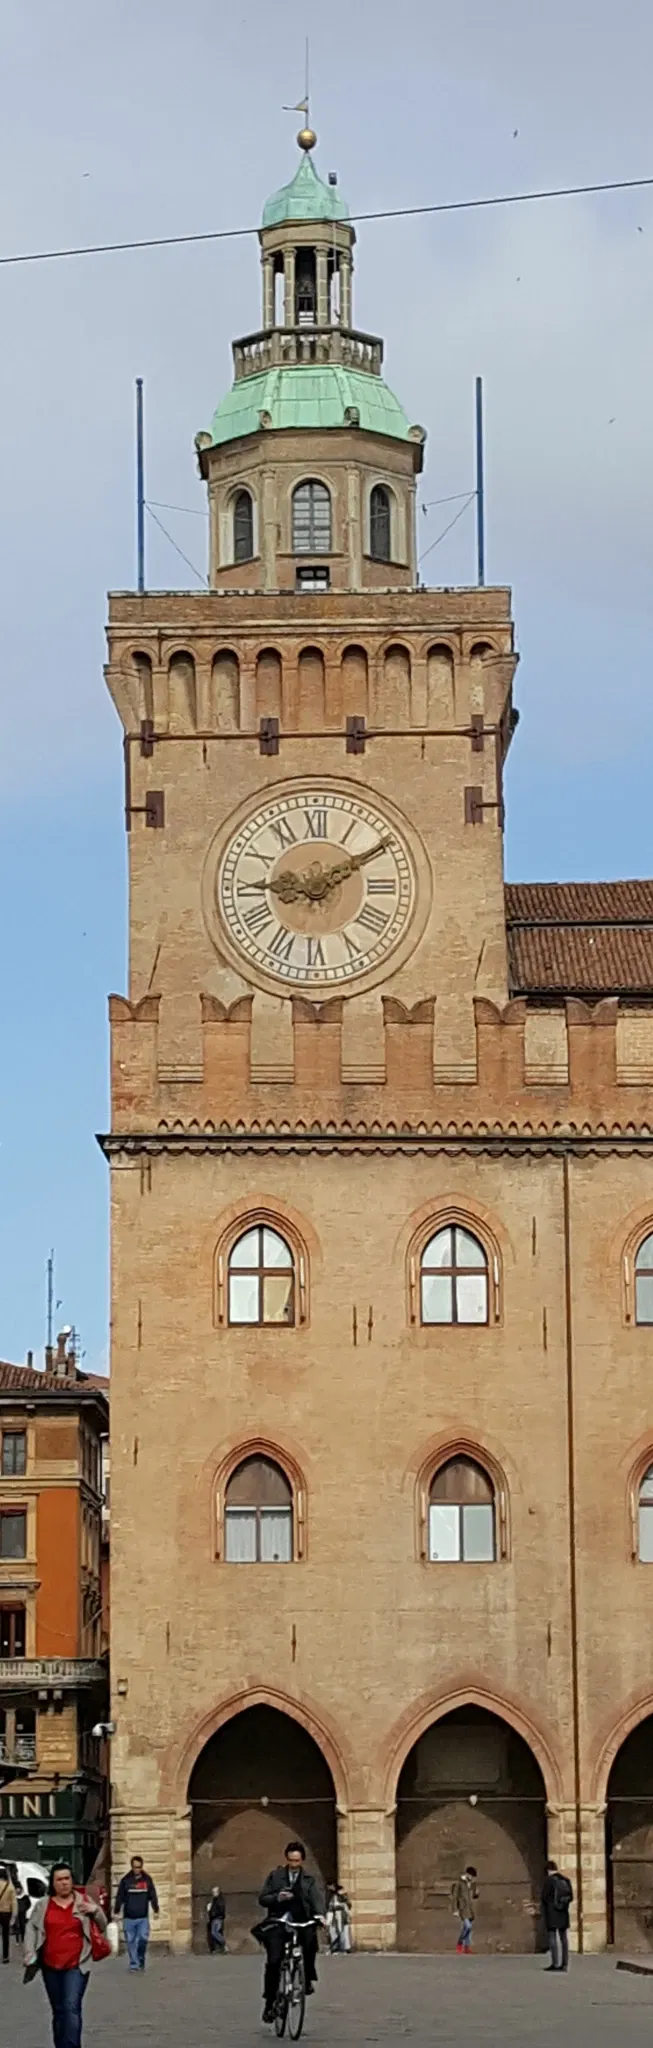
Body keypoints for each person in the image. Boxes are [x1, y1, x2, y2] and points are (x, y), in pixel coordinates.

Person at [23, 1861, 107, 2048]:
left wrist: (95, 1911)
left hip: (76, 1965)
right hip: (50, 1966)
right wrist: (29, 1952)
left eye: (67, 1878)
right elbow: (31, 1928)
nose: (64, 1883)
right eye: (59, 1879)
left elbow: (102, 1925)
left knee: (71, 2008)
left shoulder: (83, 1902)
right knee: (59, 2011)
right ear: (52, 1883)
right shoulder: (44, 1905)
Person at [256, 1841, 323, 2024]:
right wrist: (277, 1897)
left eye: (297, 1861)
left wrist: (320, 1915)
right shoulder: (276, 1876)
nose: (294, 1864)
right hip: (279, 1920)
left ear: (302, 1860)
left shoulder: (308, 1879)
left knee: (310, 1942)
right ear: (287, 1858)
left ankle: (307, 1977)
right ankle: (270, 2001)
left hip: (301, 1919)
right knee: (274, 1961)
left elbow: (316, 1898)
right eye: (291, 1860)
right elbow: (263, 1898)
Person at [114, 1854, 159, 1970]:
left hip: (142, 1917)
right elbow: (120, 1896)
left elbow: (152, 1895)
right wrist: (116, 1910)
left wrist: (156, 1909)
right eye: (134, 1867)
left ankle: (140, 1958)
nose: (136, 1869)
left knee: (143, 1939)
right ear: (132, 1867)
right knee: (131, 1942)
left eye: (138, 1867)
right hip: (129, 1917)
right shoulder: (126, 1880)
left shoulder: (147, 1880)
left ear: (141, 1867)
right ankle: (134, 1964)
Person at [541, 1859, 573, 1971]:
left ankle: (555, 1963)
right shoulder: (566, 1880)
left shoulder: (549, 1881)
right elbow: (571, 1897)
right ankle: (564, 1964)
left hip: (552, 1913)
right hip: (563, 1913)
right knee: (564, 1939)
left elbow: (544, 1898)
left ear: (548, 1870)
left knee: (552, 1938)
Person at [452, 1865, 478, 1953]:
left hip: (470, 1909)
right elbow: (455, 1896)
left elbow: (474, 1896)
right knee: (468, 1927)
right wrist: (455, 1909)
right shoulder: (459, 1883)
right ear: (467, 1874)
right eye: (471, 1876)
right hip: (463, 1908)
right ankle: (460, 1943)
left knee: (468, 1930)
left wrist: (475, 1889)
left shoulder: (472, 1884)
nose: (471, 1878)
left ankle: (466, 1947)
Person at [325, 1883, 352, 1954]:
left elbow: (348, 1905)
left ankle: (345, 1948)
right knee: (334, 1932)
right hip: (334, 1917)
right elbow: (330, 1908)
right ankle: (335, 1948)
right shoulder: (331, 1896)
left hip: (342, 1916)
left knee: (344, 1933)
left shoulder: (342, 1895)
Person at [0, 1863, 17, 1963]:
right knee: (5, 1936)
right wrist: (13, 1918)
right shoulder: (10, 1887)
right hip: (6, 1914)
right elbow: (14, 1903)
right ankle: (5, 1957)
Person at [206, 1885, 226, 1952]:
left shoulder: (219, 1900)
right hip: (215, 1918)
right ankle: (220, 1948)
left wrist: (211, 1911)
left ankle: (223, 1943)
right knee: (215, 1932)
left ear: (218, 1892)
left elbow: (220, 1910)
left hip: (217, 1918)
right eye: (213, 1892)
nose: (213, 1893)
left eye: (215, 1892)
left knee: (214, 1932)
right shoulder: (215, 1900)